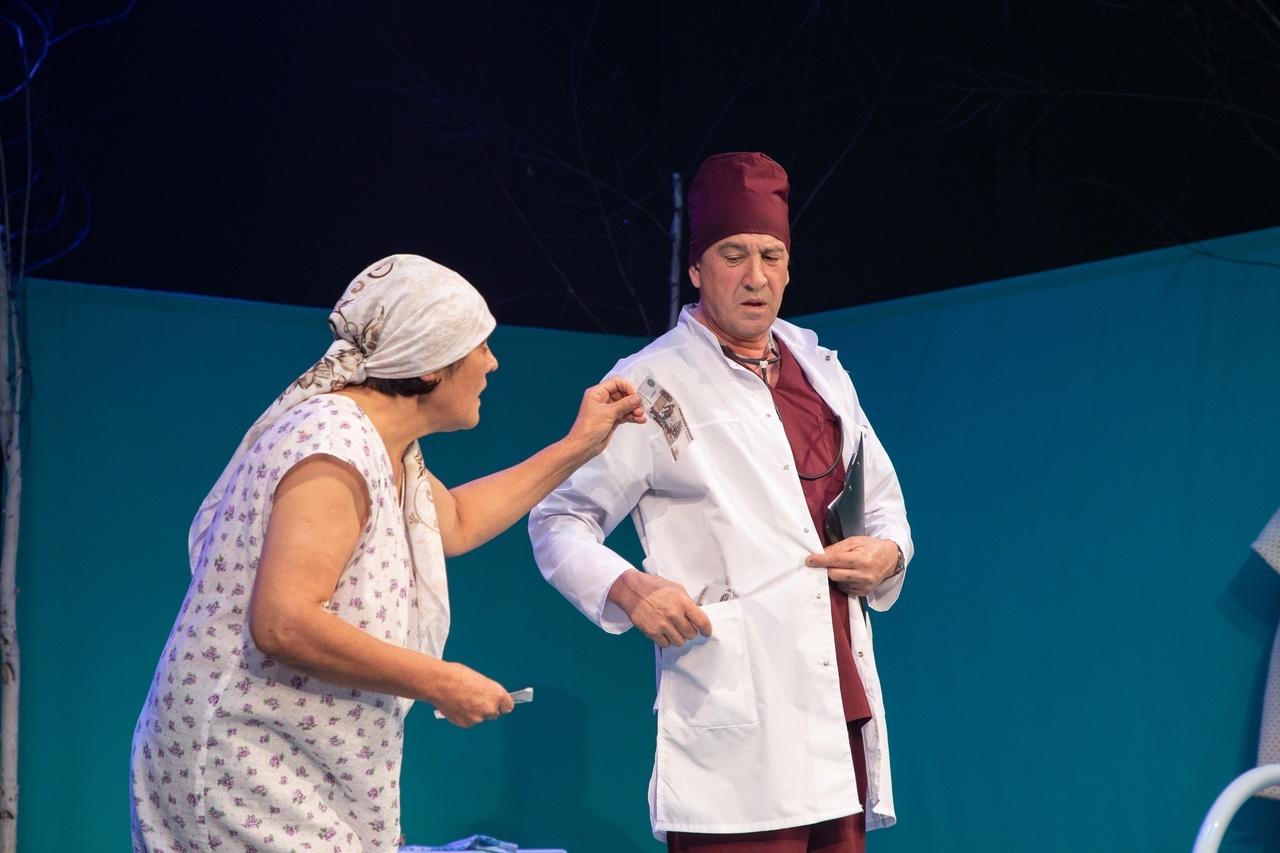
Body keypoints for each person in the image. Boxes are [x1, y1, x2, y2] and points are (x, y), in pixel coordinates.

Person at [130, 253, 645, 852]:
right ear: (429, 367)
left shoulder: (383, 445)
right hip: (245, 765)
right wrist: (439, 680)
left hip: (300, 760)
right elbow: (283, 622)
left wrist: (582, 444)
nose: (492, 363)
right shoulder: (332, 445)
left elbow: (455, 522)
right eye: (478, 346)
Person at [529, 152, 913, 852]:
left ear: (789, 267)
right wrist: (627, 587)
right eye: (733, 255)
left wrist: (887, 554)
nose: (755, 275)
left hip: (839, 704)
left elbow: (882, 501)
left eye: (771, 256)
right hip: (738, 717)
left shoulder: (822, 372)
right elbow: (557, 518)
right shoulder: (651, 383)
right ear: (698, 269)